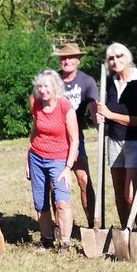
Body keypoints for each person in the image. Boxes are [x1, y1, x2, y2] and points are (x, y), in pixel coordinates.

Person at [96, 42, 137, 230]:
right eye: (111, 58)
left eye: (119, 56)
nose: (115, 60)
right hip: (114, 141)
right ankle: (126, 230)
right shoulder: (108, 84)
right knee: (118, 191)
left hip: (135, 142)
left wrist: (111, 115)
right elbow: (103, 116)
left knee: (130, 194)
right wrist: (99, 117)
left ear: (128, 58)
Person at [27, 69, 78, 252]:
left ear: (55, 86)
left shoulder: (65, 106)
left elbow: (74, 140)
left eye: (46, 86)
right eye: (39, 86)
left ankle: (65, 242)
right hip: (37, 157)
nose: (42, 90)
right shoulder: (37, 105)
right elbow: (35, 132)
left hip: (59, 159)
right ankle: (46, 239)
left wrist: (68, 168)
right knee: (40, 202)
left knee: (62, 202)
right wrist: (28, 159)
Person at [53, 43, 98, 226]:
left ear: (78, 60)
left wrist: (99, 124)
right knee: (54, 183)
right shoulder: (52, 79)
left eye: (71, 57)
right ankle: (59, 226)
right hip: (54, 139)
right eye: (63, 58)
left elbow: (94, 108)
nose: (67, 61)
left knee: (83, 179)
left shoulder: (87, 81)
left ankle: (93, 223)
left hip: (75, 139)